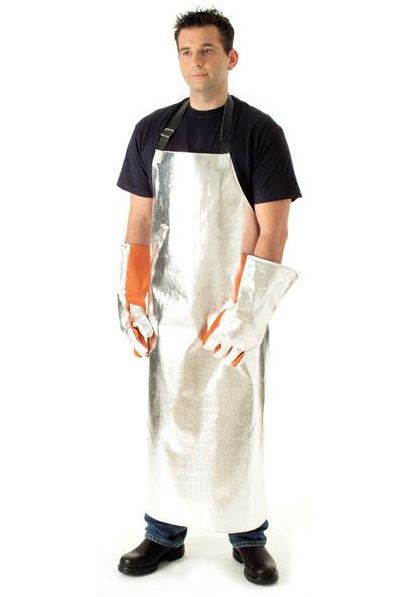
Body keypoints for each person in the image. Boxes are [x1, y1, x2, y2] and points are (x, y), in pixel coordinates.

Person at [115, 7, 302, 586]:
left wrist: (248, 313)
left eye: (207, 50)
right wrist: (133, 299)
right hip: (170, 308)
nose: (196, 61)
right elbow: (139, 222)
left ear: (230, 57)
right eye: (186, 51)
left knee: (237, 422)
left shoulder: (259, 133)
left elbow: (273, 230)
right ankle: (163, 532)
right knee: (166, 421)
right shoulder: (152, 131)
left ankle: (248, 537)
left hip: (231, 307)